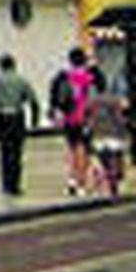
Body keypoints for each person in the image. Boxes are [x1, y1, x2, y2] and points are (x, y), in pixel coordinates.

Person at [0, 53, 41, 196]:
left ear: (1, 66)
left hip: (2, 118)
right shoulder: (21, 80)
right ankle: (15, 185)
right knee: (17, 152)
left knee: (5, 152)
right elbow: (33, 101)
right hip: (17, 117)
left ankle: (6, 184)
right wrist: (34, 121)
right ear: (14, 65)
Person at [49, 47, 103, 195]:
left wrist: (55, 114)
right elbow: (99, 93)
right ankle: (81, 182)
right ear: (84, 60)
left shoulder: (63, 77)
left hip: (69, 119)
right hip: (86, 118)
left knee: (72, 149)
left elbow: (55, 99)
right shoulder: (90, 77)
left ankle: (72, 179)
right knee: (83, 150)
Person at [85, 81, 129, 197]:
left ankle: (104, 185)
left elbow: (86, 117)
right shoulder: (116, 100)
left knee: (104, 163)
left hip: (99, 137)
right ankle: (113, 184)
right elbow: (123, 113)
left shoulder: (91, 102)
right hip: (115, 137)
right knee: (116, 163)